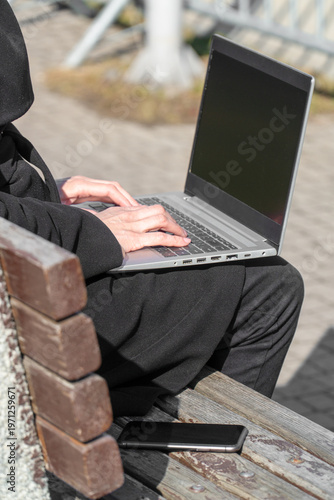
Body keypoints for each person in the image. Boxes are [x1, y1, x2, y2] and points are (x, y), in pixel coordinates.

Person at [0, 0, 304, 416]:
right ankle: (212, 447)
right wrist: (93, 233)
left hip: (21, 297)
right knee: (270, 284)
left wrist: (46, 195)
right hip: (21, 335)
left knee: (194, 267)